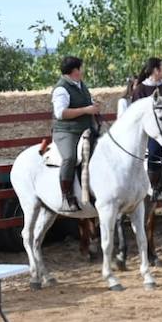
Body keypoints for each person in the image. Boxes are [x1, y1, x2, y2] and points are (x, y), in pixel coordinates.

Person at [50, 56, 102, 212]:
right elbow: (60, 113)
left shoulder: (80, 85)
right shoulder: (61, 89)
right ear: (74, 70)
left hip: (86, 129)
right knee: (70, 157)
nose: (82, 71)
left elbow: (85, 104)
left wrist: (93, 106)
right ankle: (67, 197)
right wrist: (86, 110)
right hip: (67, 131)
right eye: (81, 68)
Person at [124, 57, 162, 200]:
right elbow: (136, 115)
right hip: (151, 132)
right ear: (156, 70)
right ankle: (156, 187)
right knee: (154, 151)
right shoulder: (140, 90)